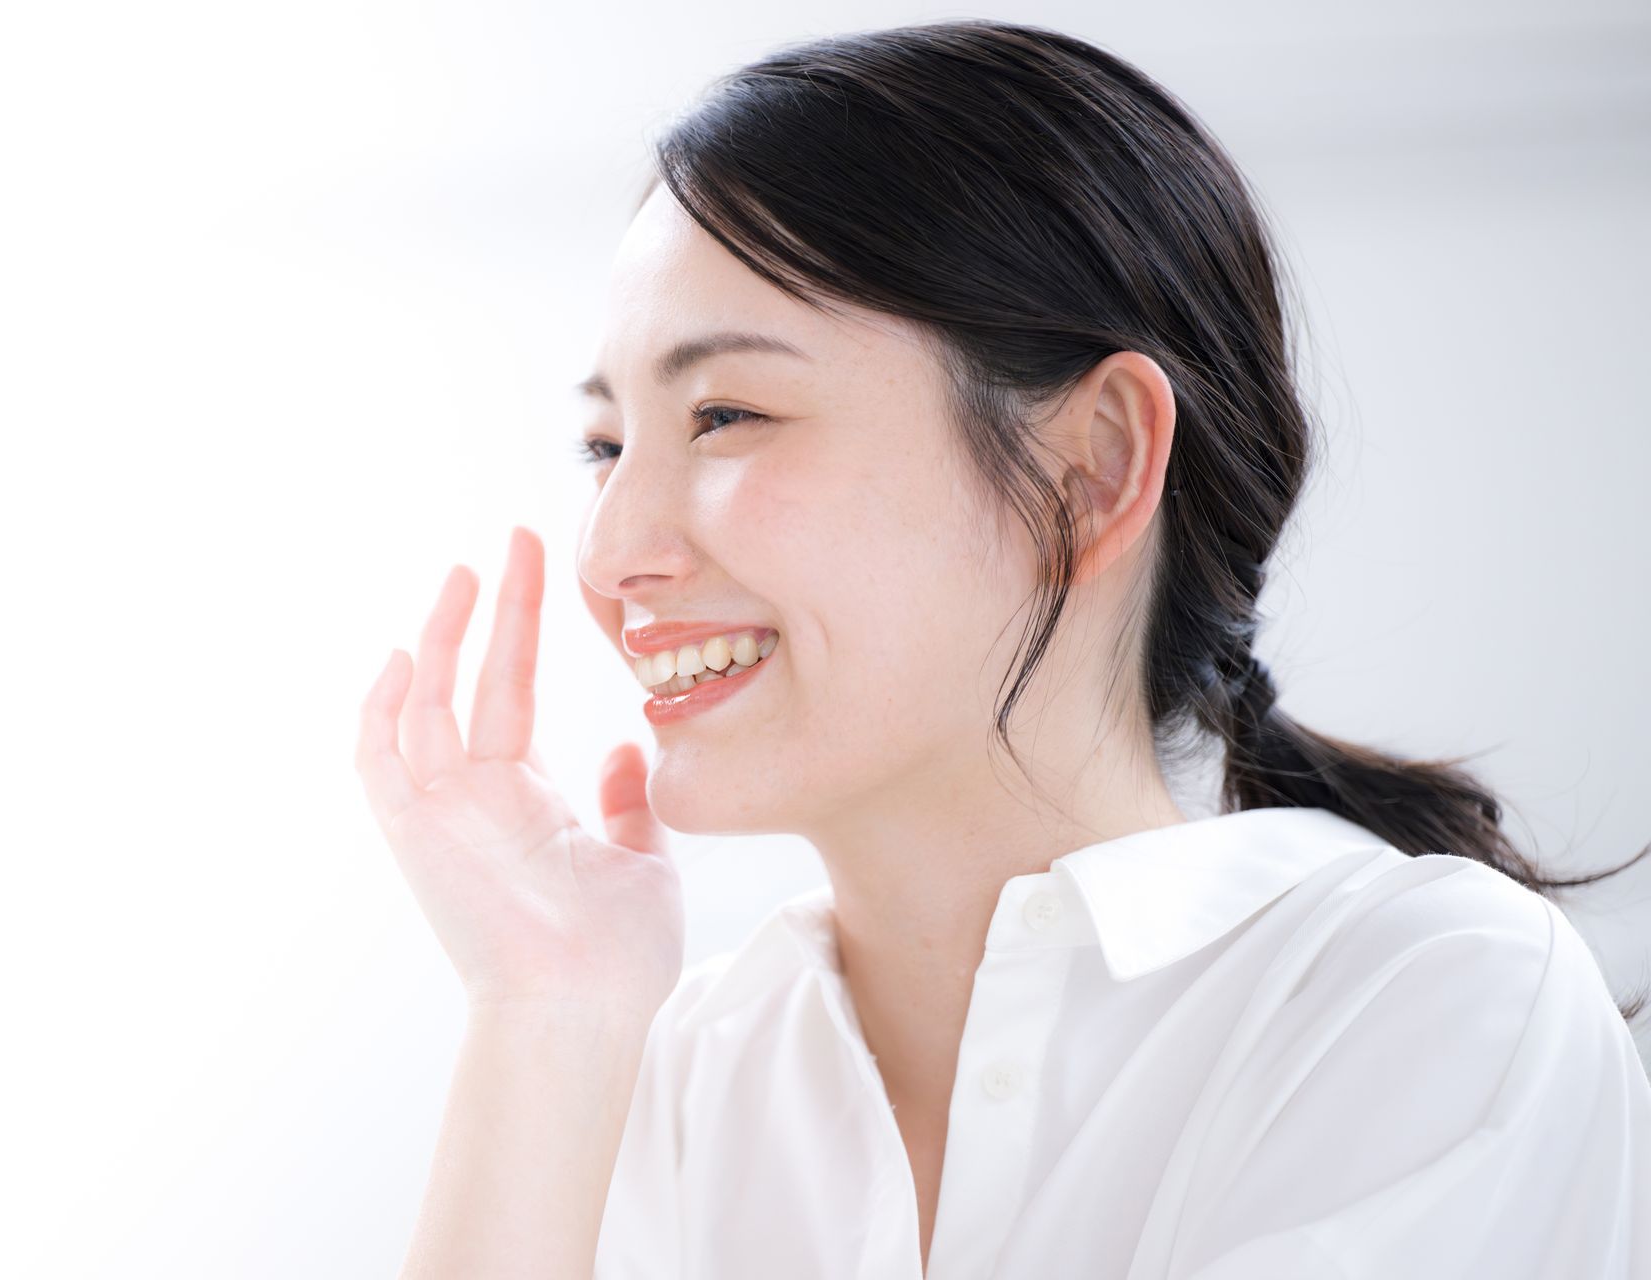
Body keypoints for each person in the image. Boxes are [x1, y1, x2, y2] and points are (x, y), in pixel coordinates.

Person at [354, 19, 1651, 1279]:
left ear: (1092, 469)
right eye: (604, 447)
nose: (609, 551)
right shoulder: (667, 1075)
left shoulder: (1415, 1007)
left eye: (727, 415)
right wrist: (546, 1018)